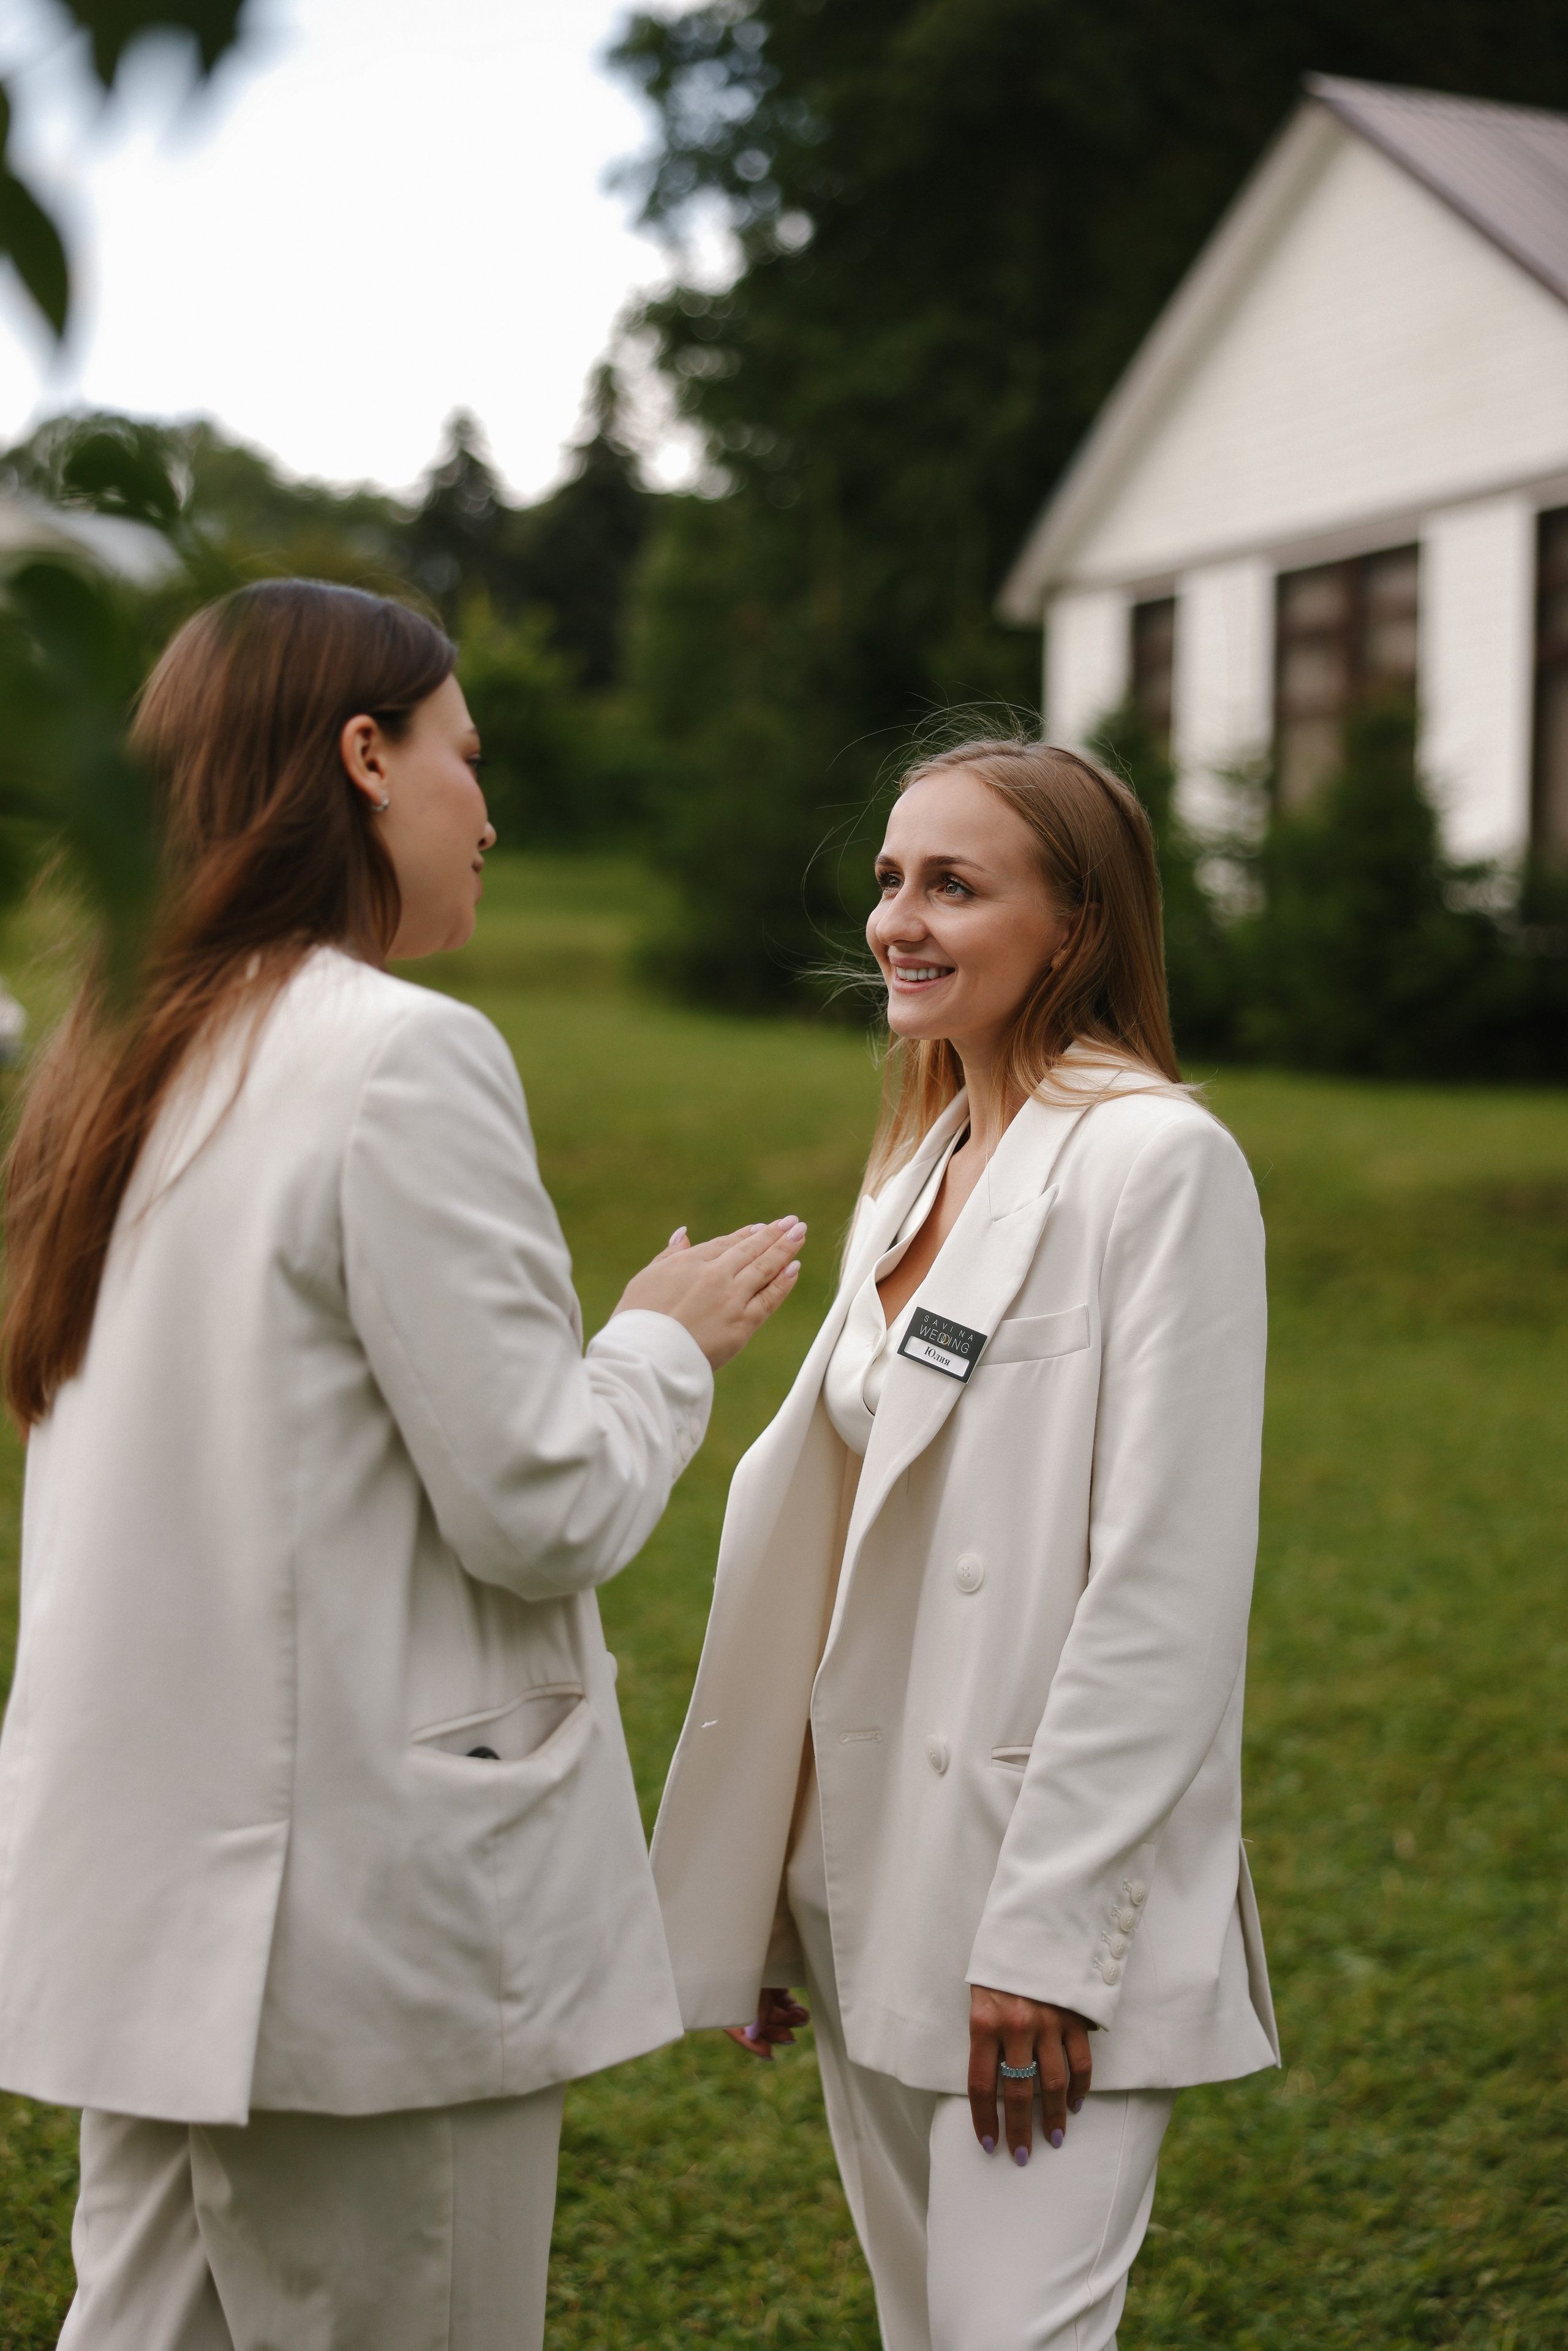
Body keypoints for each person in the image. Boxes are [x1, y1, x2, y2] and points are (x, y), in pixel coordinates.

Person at [0, 580, 806, 2351]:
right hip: (358, 1938)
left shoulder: (113, 1060)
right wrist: (663, 1341)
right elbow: (542, 1506)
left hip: (147, 1910)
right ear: (363, 759)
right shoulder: (400, 1059)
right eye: (467, 755)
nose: (489, 811)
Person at [651, 738, 1280, 2351]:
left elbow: (1166, 1588)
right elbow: (854, 1566)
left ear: (1074, 924)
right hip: (882, 1885)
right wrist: (784, 1892)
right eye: (888, 880)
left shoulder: (1161, 1163)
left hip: (1048, 1905)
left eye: (953, 884)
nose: (898, 922)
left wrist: (1054, 1943)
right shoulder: (919, 1161)